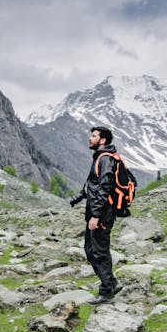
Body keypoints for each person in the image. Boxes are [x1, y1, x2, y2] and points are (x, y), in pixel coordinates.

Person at [70, 126, 122, 304]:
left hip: (101, 214)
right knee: (91, 250)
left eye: (93, 136)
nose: (89, 139)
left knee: (98, 252)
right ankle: (111, 283)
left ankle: (107, 291)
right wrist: (78, 198)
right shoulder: (99, 157)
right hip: (96, 212)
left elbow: (105, 188)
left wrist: (96, 216)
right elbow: (92, 185)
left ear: (103, 140)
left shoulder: (105, 159)